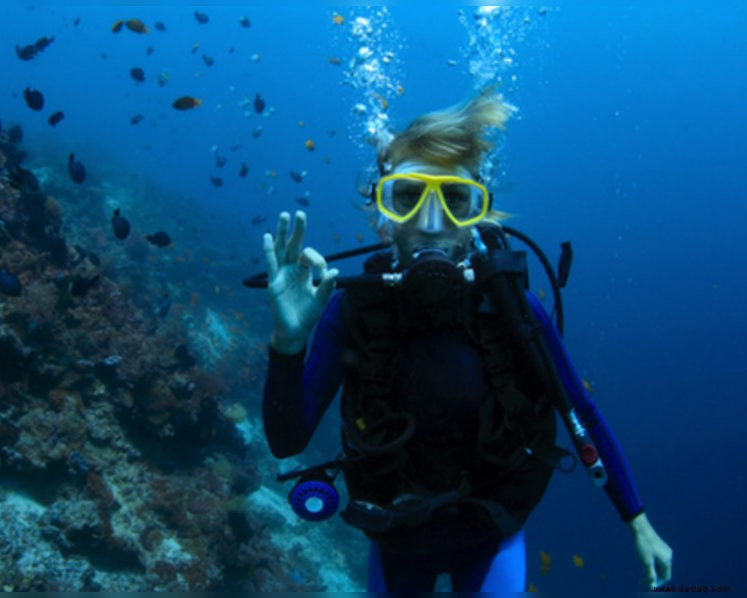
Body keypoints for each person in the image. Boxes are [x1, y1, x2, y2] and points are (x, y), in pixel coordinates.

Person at [260, 87, 672, 592]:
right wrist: (288, 342)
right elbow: (287, 440)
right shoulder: (353, 309)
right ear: (383, 216)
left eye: (456, 200)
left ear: (479, 215)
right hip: (397, 539)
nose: (432, 225)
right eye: (407, 197)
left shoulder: (512, 308)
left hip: (491, 531)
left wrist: (640, 523)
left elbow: (580, 413)